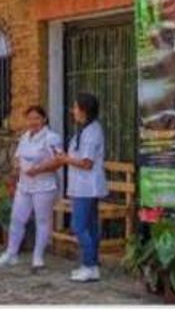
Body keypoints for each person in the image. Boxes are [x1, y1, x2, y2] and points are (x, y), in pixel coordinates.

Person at [0, 106, 64, 270]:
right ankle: (11, 254)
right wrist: (17, 167)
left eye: (37, 118)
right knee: (17, 219)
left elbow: (59, 160)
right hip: (24, 185)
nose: (33, 122)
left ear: (44, 119)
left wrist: (38, 169)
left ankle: (38, 258)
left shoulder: (51, 138)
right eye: (30, 118)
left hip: (44, 186)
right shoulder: (25, 137)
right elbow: (18, 157)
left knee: (42, 221)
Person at [57, 92, 108, 283]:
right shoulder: (86, 129)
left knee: (78, 226)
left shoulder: (92, 131)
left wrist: (65, 159)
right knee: (90, 226)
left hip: (87, 187)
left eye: (76, 107)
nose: (73, 111)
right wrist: (66, 155)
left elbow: (87, 163)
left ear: (84, 110)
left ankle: (89, 265)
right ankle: (92, 266)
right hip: (84, 186)